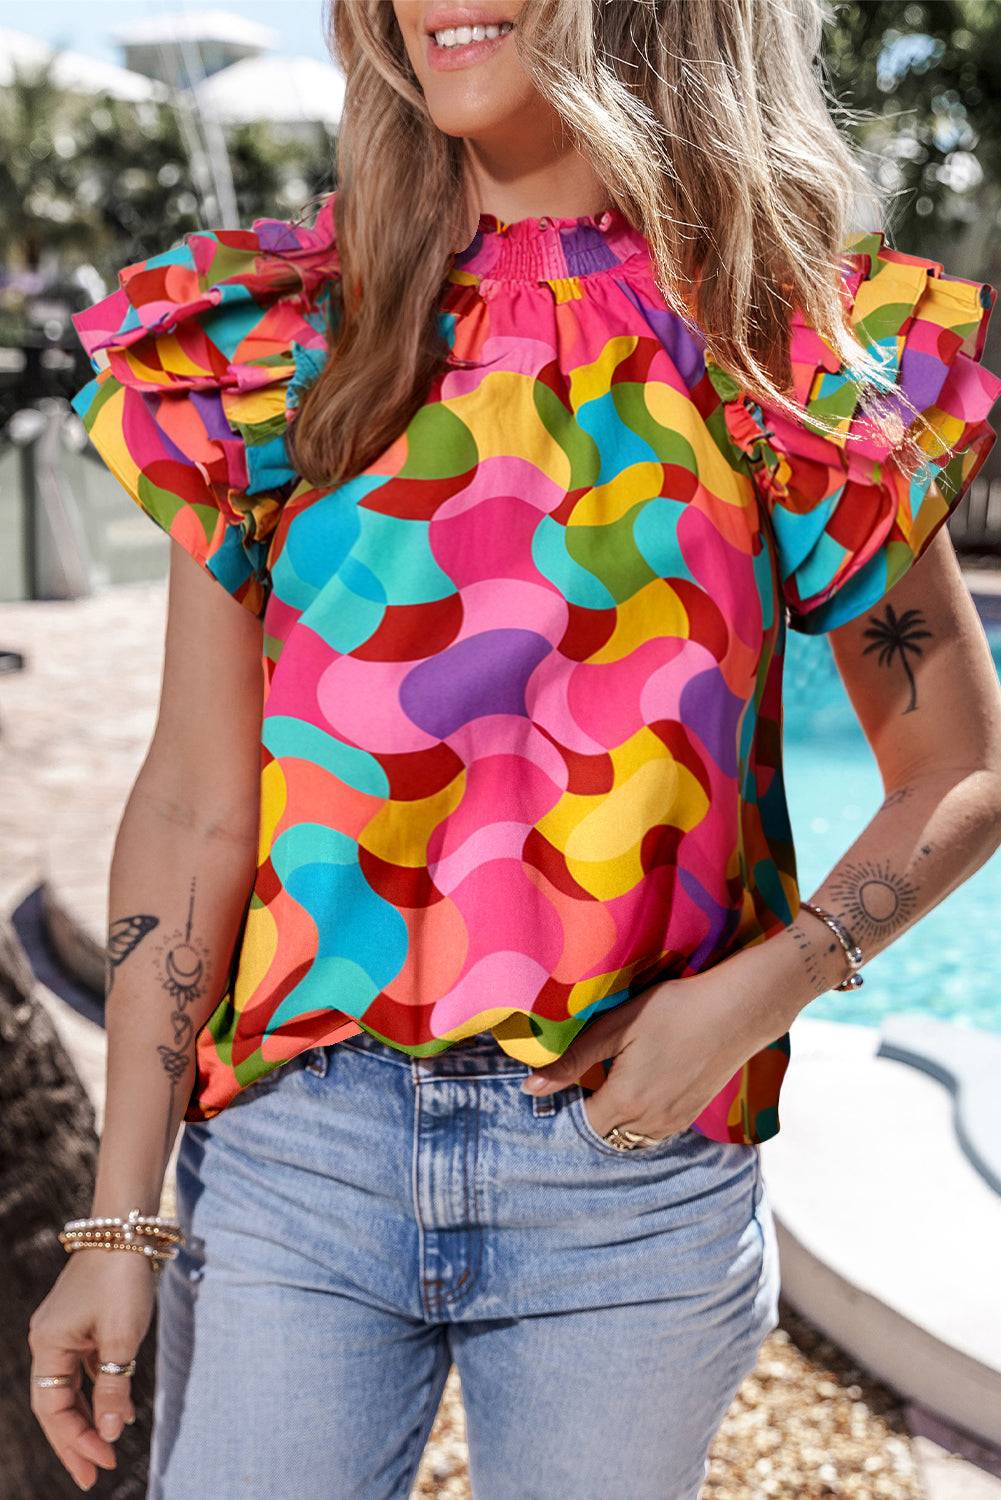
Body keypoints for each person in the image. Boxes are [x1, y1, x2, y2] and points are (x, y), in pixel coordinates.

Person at [28, 1, 1001, 1495]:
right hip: (299, 1160)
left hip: (630, 1184)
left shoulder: (777, 349)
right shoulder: (287, 338)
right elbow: (194, 806)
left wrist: (754, 997)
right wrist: (117, 1222)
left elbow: (957, 771)